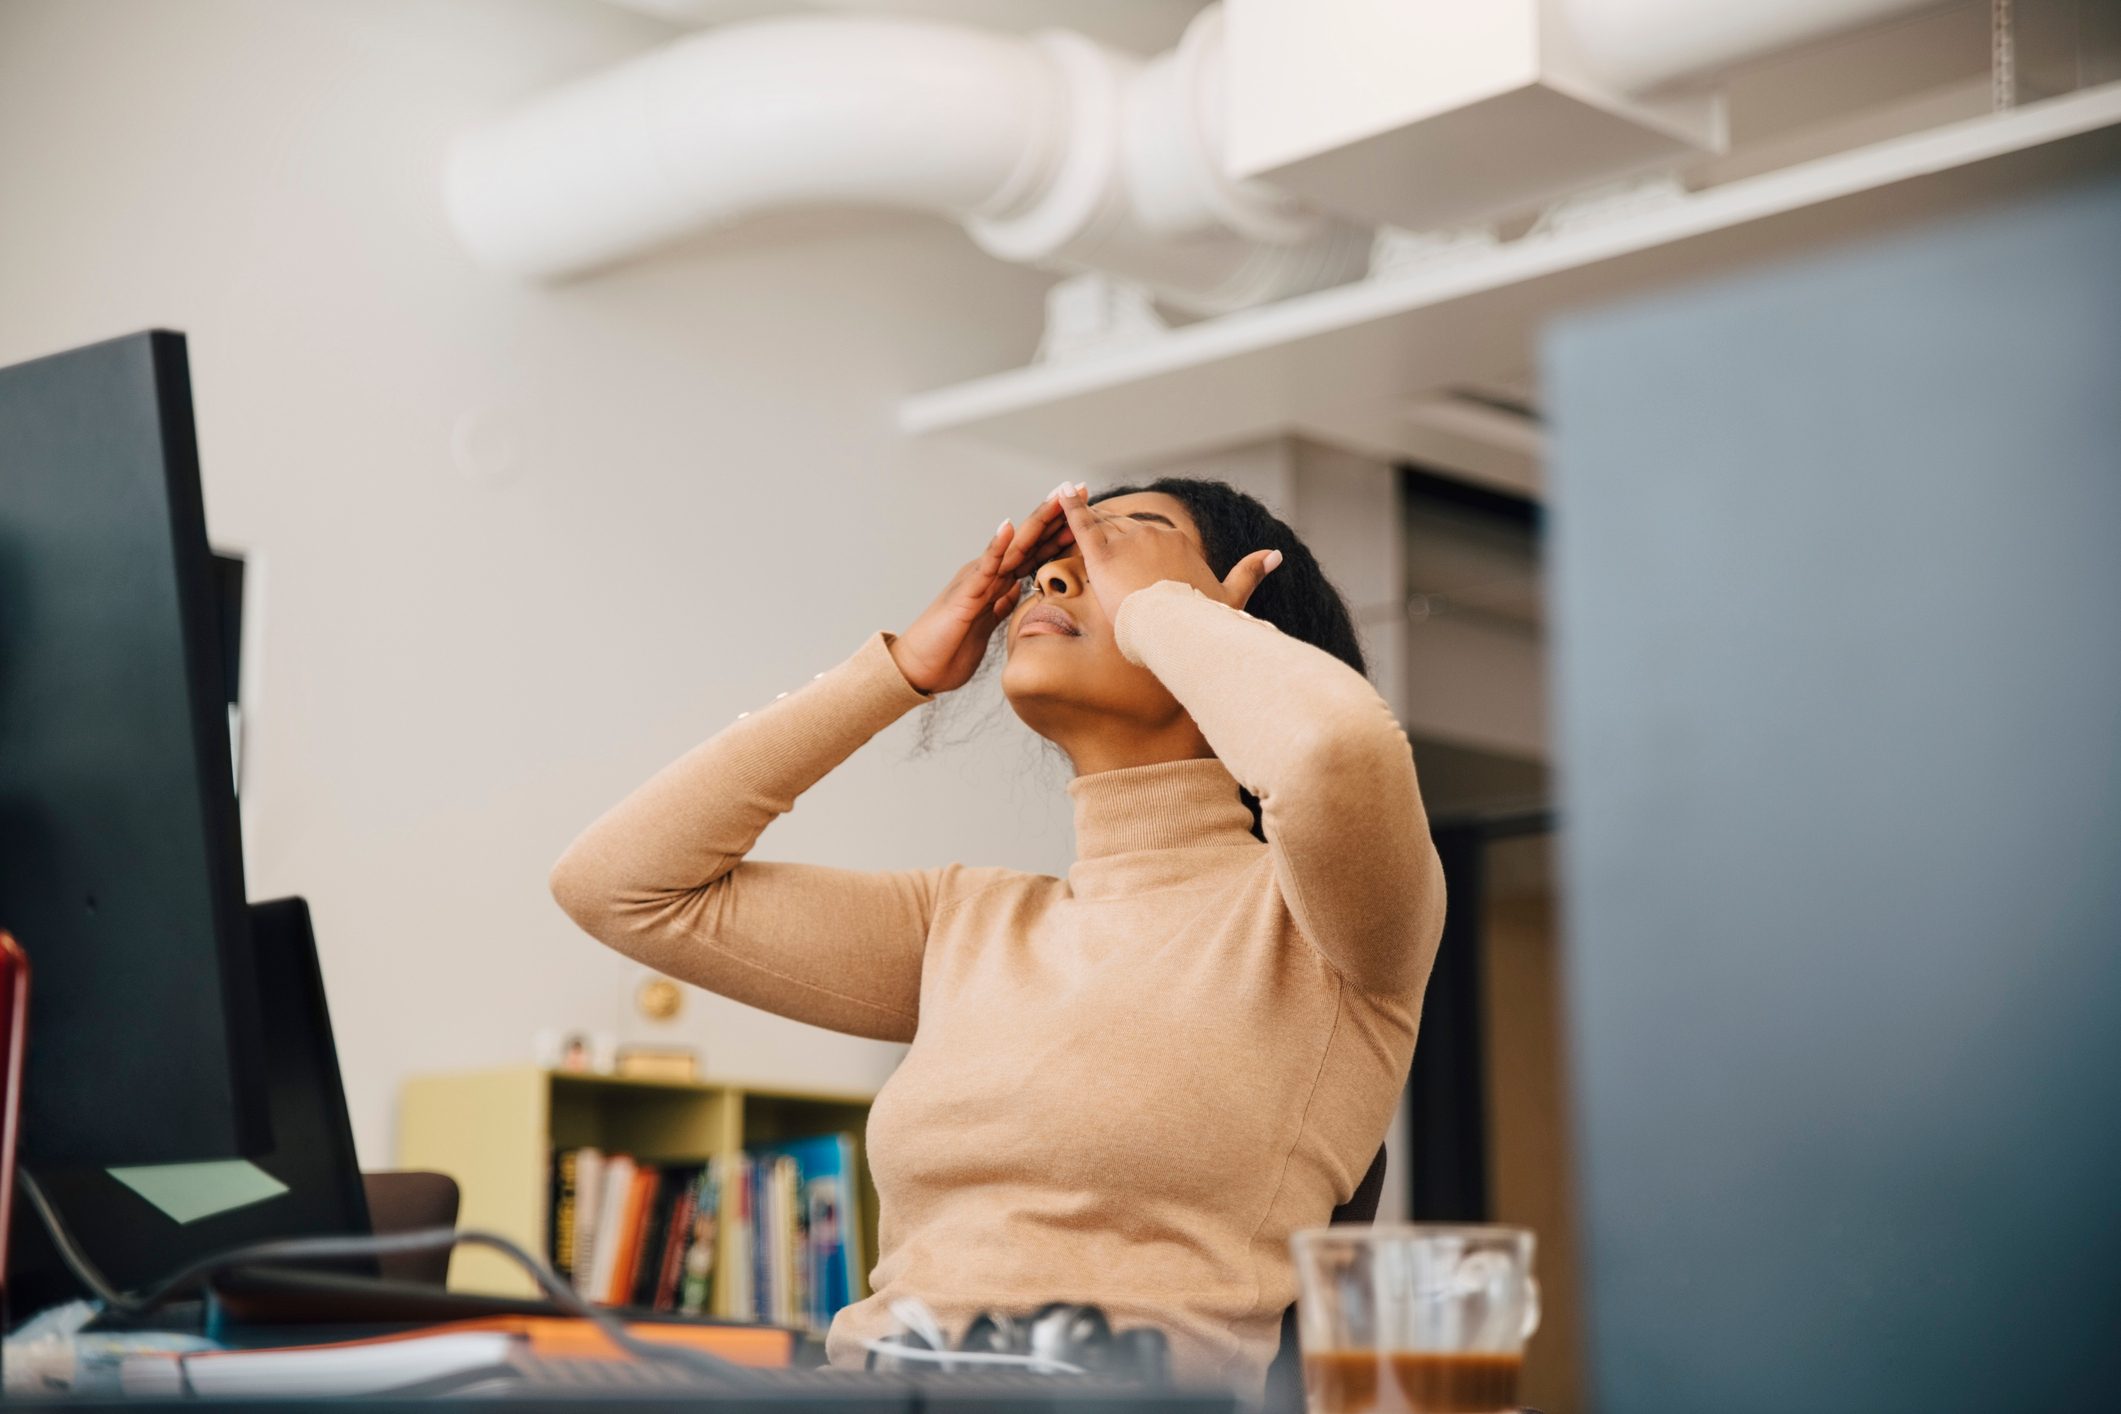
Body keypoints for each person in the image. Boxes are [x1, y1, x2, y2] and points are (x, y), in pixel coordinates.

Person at [549, 477, 1446, 1394]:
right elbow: (619, 887)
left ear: (1232, 617)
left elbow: (1335, 751)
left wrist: (1163, 616)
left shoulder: (1327, 926)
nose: (1055, 576)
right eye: (1054, 560)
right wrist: (893, 673)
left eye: (1118, 546)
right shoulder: (966, 922)